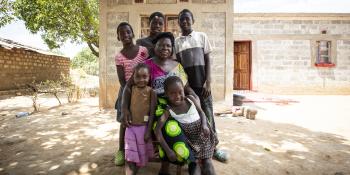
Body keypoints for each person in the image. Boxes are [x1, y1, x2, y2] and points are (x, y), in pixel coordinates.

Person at [122, 32, 198, 175]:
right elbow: (128, 87)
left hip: (177, 103)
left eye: (168, 46)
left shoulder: (177, 66)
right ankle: (188, 160)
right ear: (154, 47)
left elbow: (186, 88)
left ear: (172, 48)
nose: (165, 48)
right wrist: (124, 107)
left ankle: (197, 158)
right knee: (170, 126)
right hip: (156, 106)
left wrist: (194, 97)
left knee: (193, 119)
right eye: (161, 45)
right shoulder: (147, 65)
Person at [175, 9, 228, 162]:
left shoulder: (201, 36)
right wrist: (185, 86)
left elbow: (208, 60)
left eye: (187, 19)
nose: (184, 22)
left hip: (203, 86)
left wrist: (208, 81)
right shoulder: (177, 42)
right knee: (193, 117)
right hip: (188, 88)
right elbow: (178, 67)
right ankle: (197, 147)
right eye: (181, 19)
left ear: (193, 20)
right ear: (178, 22)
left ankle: (214, 147)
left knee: (208, 115)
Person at [156, 76, 217, 175]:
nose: (178, 96)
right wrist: (168, 150)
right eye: (172, 93)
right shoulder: (169, 110)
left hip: (203, 135)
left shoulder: (190, 99)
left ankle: (206, 164)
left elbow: (202, 113)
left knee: (208, 163)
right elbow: (157, 129)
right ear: (166, 94)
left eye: (180, 92)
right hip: (189, 143)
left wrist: (205, 125)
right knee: (194, 165)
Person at [114, 22, 149, 166]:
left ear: (133, 33)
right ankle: (121, 150)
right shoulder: (119, 57)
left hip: (144, 91)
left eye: (128, 32)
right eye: (122, 33)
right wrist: (130, 96)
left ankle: (144, 149)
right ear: (118, 37)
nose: (125, 35)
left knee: (144, 120)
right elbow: (122, 81)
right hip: (127, 92)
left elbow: (148, 70)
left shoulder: (143, 51)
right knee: (125, 121)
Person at [123, 63, 157, 175]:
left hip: (143, 127)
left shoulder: (152, 91)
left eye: (144, 77)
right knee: (130, 151)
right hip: (130, 127)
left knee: (140, 151)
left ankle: (135, 168)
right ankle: (130, 169)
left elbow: (152, 112)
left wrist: (148, 130)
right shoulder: (131, 89)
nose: (141, 80)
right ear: (133, 77)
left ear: (149, 77)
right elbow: (126, 106)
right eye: (137, 76)